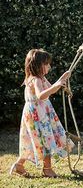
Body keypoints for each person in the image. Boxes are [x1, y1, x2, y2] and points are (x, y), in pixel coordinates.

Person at [9, 49, 73, 178]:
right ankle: (47, 169)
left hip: (41, 113)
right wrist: (58, 83)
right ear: (37, 65)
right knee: (45, 139)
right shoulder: (35, 80)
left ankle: (19, 165)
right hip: (37, 115)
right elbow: (41, 95)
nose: (49, 66)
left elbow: (52, 89)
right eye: (46, 64)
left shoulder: (41, 78)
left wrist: (61, 80)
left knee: (36, 140)